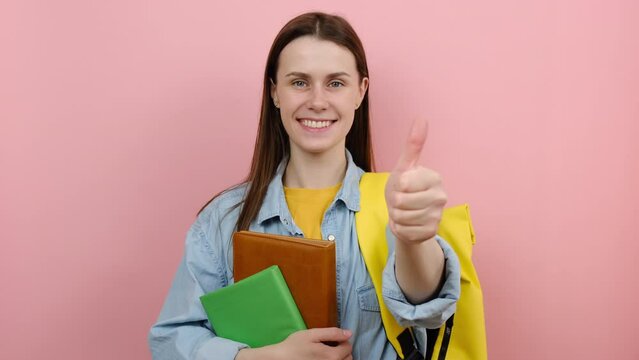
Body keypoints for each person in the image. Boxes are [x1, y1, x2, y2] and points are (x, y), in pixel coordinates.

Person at [148, 11, 460, 360]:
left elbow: (427, 310)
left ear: (361, 91)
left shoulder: (397, 204)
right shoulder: (222, 221)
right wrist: (262, 358)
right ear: (275, 92)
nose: (317, 100)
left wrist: (413, 238)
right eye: (299, 82)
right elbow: (171, 340)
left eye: (335, 83)